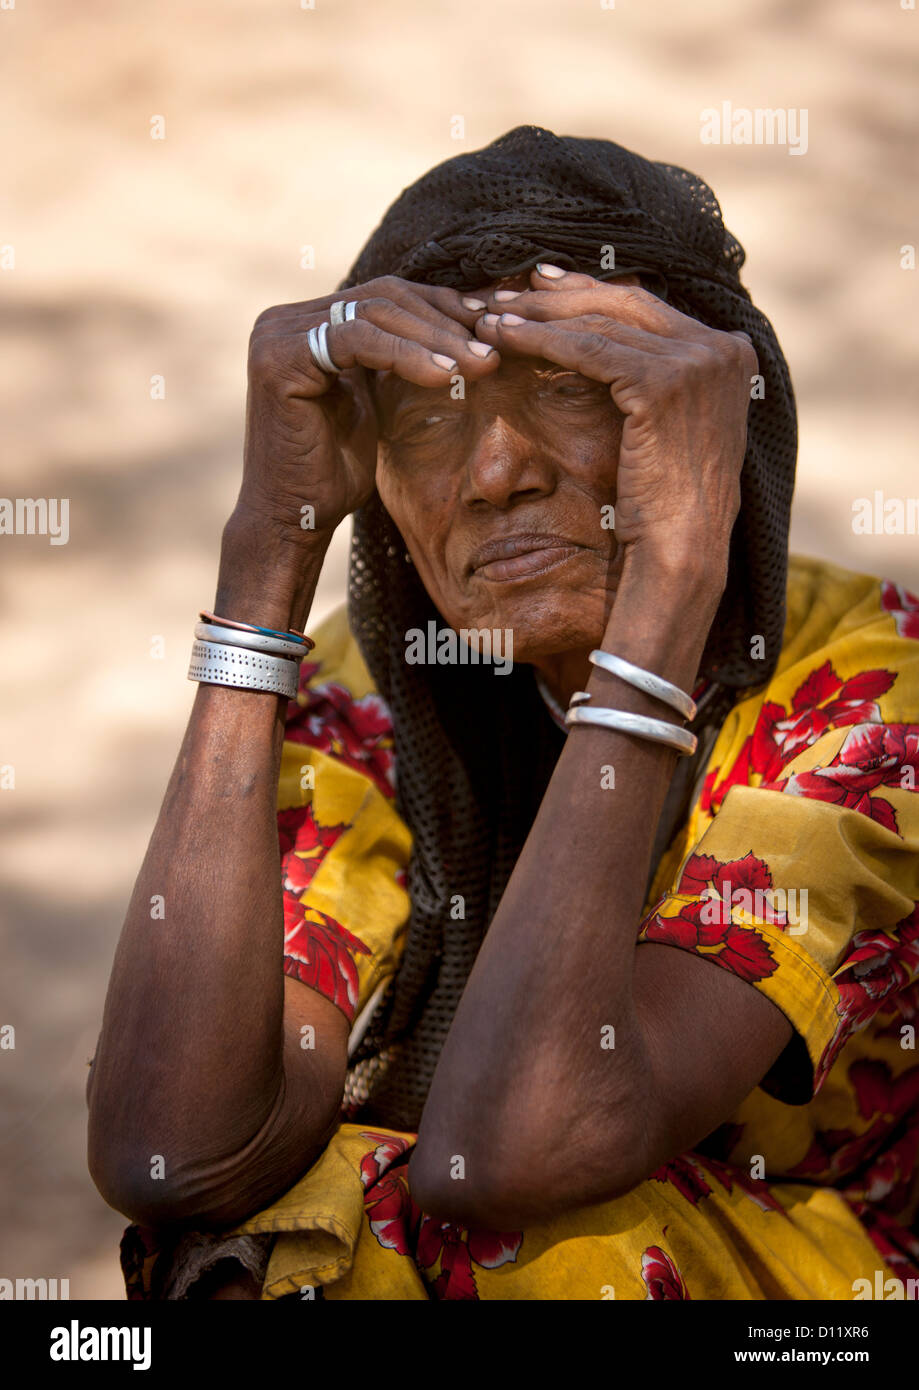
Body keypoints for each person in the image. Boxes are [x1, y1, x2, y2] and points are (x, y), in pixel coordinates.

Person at [87, 126, 919, 1300]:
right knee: (275, 1231)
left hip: (850, 1280)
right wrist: (266, 555)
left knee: (508, 1238)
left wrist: (673, 577)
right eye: (426, 416)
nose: (493, 474)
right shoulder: (381, 683)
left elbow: (523, 1147)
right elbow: (175, 1154)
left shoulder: (869, 696)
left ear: (706, 434)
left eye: (575, 392)